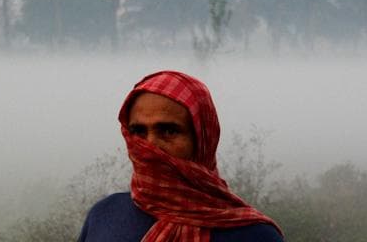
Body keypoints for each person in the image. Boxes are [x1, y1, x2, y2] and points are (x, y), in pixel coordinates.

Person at [78, 70, 284, 241]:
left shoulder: (254, 235)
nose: (151, 146)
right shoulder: (105, 215)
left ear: (203, 140)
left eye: (168, 131)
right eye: (139, 132)